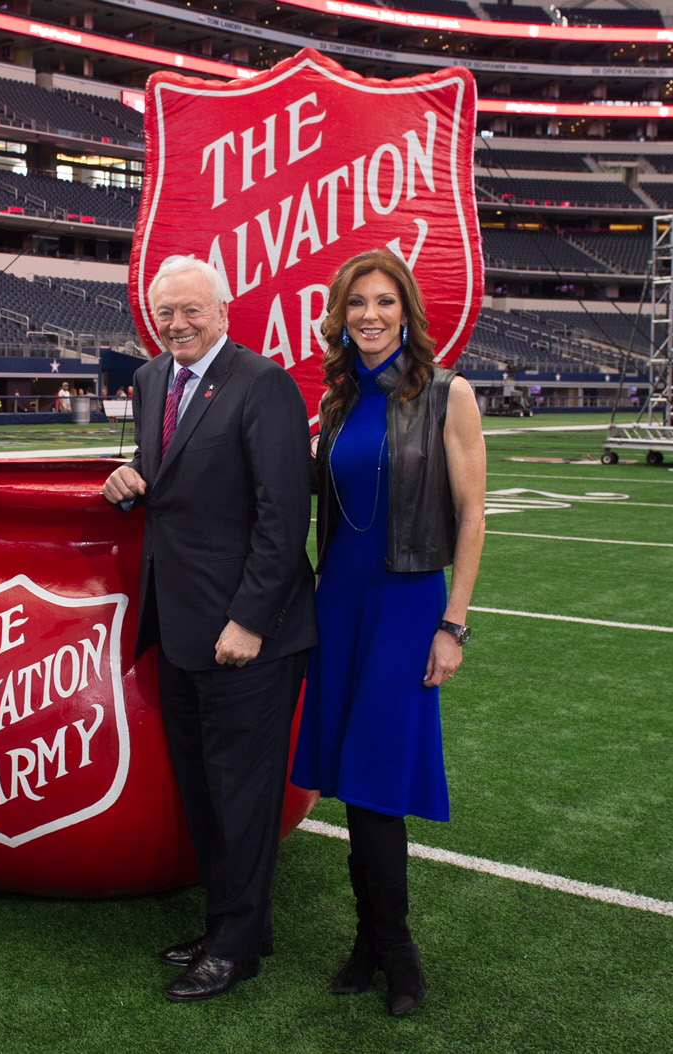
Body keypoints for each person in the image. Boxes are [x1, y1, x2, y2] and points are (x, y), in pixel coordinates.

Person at [101, 254, 317, 1003]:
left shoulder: (265, 385)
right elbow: (173, 469)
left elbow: (284, 517)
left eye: (192, 310)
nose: (178, 324)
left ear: (223, 312)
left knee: (243, 798)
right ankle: (235, 924)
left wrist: (249, 622)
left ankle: (237, 948)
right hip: (181, 627)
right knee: (204, 794)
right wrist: (127, 478)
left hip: (245, 638)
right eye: (166, 312)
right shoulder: (152, 380)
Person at [290, 249, 486, 1016]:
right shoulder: (337, 402)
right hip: (338, 601)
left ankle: (396, 950)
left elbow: (472, 515)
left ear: (406, 311)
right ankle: (369, 942)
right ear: (341, 315)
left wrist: (453, 625)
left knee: (378, 781)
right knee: (350, 779)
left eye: (383, 302)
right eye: (355, 304)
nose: (369, 315)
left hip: (407, 606)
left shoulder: (448, 393)